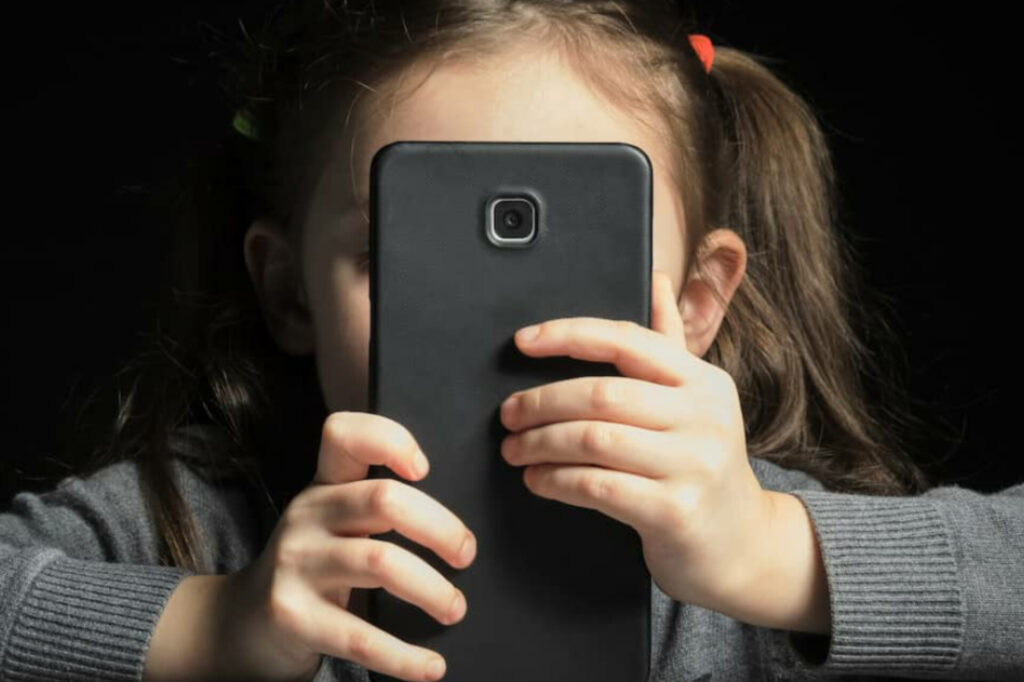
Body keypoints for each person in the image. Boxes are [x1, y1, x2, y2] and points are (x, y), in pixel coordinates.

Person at [1, 1, 1021, 681]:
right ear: (289, 291)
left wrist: (771, 553)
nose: (501, 328)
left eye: (578, 258)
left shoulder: (754, 536)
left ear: (695, 303)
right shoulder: (202, 527)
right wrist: (219, 625)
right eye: (403, 250)